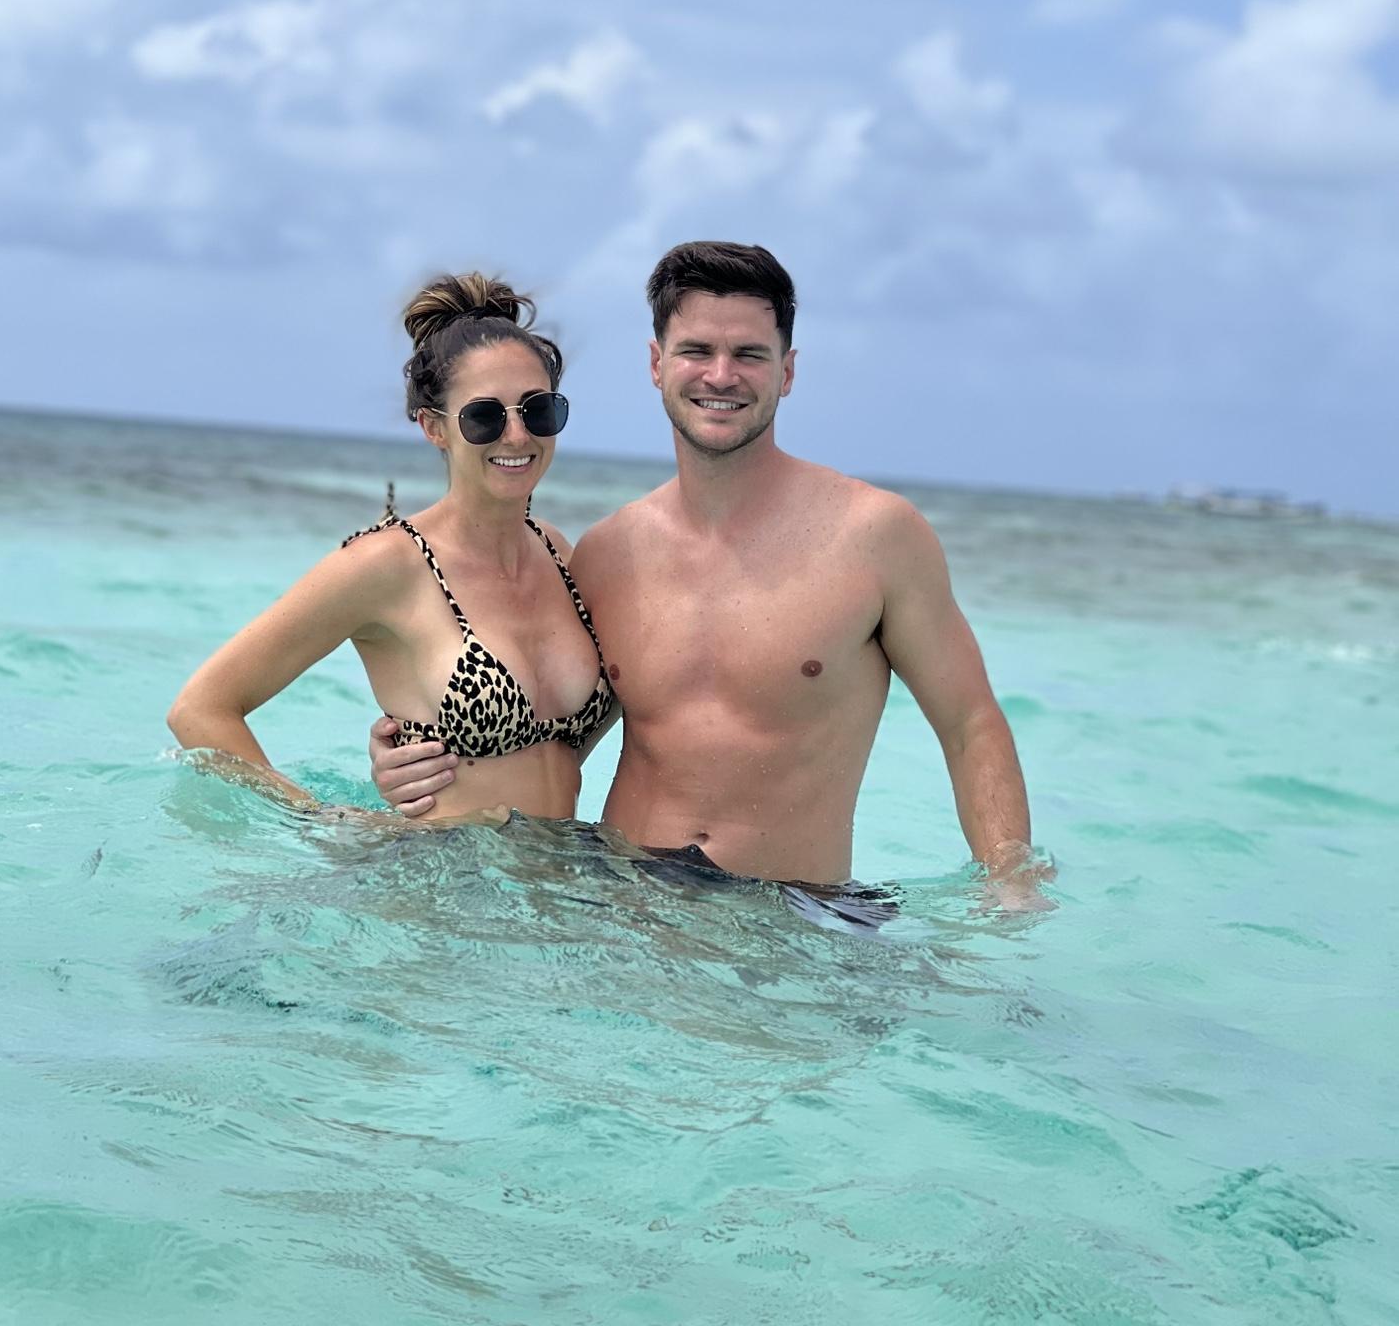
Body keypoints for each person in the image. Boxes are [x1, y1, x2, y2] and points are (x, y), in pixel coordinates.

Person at [370, 243, 1040, 899]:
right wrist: (425, 762)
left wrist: (1012, 885)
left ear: (788, 371)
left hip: (793, 913)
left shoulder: (876, 537)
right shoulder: (608, 555)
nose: (721, 376)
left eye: (749, 354)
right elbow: (551, 740)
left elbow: (970, 724)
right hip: (619, 899)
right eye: (697, 351)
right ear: (657, 364)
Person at [168, 274, 617, 817]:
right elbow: (201, 709)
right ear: (434, 427)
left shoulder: (556, 551)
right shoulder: (387, 564)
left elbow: (554, 744)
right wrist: (318, 821)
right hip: (436, 868)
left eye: (537, 409)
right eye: (484, 416)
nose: (518, 435)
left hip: (560, 861)